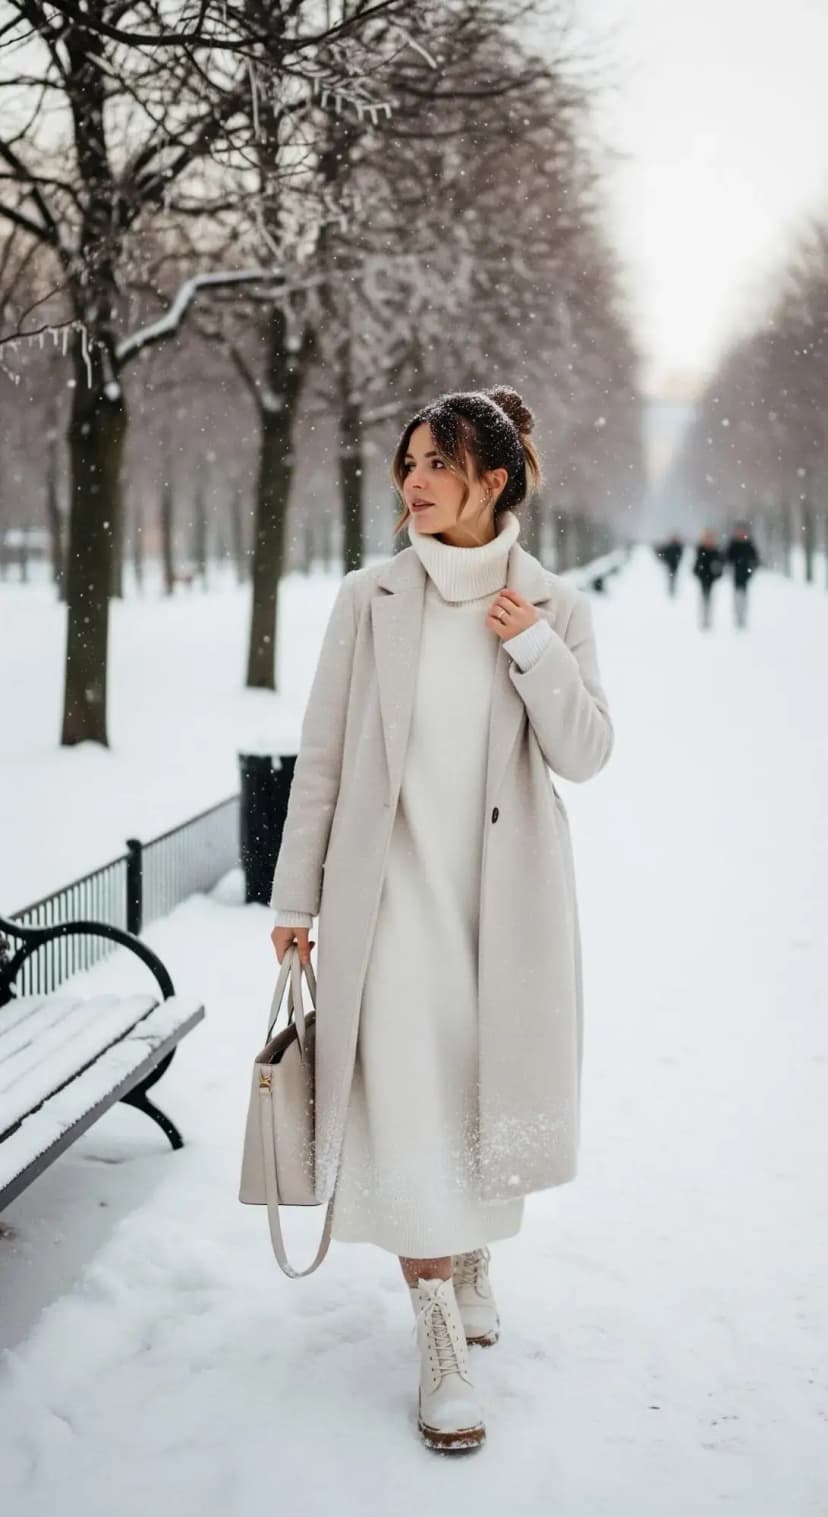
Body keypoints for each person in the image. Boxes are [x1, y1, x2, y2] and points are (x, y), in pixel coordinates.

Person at [269, 387, 613, 1453]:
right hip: (392, 906)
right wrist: (294, 896)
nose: (412, 482)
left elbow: (589, 751)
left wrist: (534, 650)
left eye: (435, 463)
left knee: (481, 1098)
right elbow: (321, 756)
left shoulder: (552, 603)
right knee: (412, 1107)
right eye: (407, 461)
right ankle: (435, 1332)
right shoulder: (370, 596)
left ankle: (470, 1255)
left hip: (501, 907)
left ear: (493, 479)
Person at [725, 521, 760, 627]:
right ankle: (737, 617)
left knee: (744, 596)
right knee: (736, 596)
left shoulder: (749, 544)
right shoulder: (733, 544)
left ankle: (743, 617)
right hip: (735, 574)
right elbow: (727, 558)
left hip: (746, 575)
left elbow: (755, 559)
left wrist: (752, 567)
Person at [692, 529, 725, 629]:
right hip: (703, 578)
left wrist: (718, 574)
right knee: (703, 598)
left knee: (709, 599)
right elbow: (696, 565)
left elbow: (719, 565)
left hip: (711, 579)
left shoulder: (716, 551)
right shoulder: (700, 550)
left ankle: (708, 620)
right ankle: (703, 619)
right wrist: (697, 573)